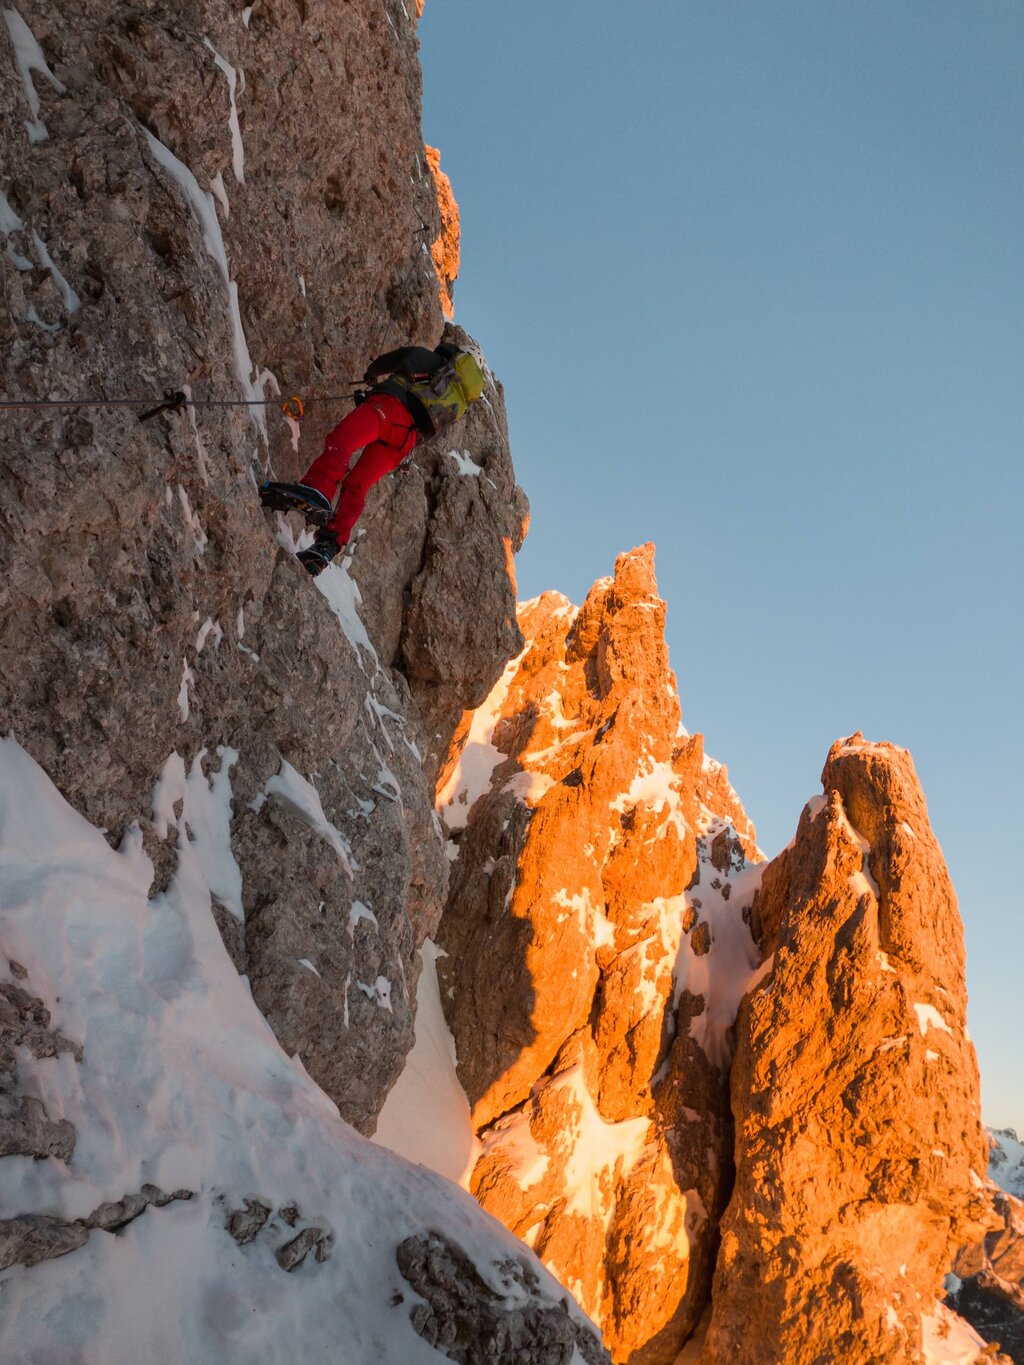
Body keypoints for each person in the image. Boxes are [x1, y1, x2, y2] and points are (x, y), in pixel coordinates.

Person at [259, 341, 486, 575]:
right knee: (358, 484)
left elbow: (403, 356)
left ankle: (317, 490)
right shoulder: (456, 403)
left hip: (388, 410)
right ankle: (330, 543)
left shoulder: (434, 361)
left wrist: (372, 373)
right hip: (404, 442)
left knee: (343, 438)